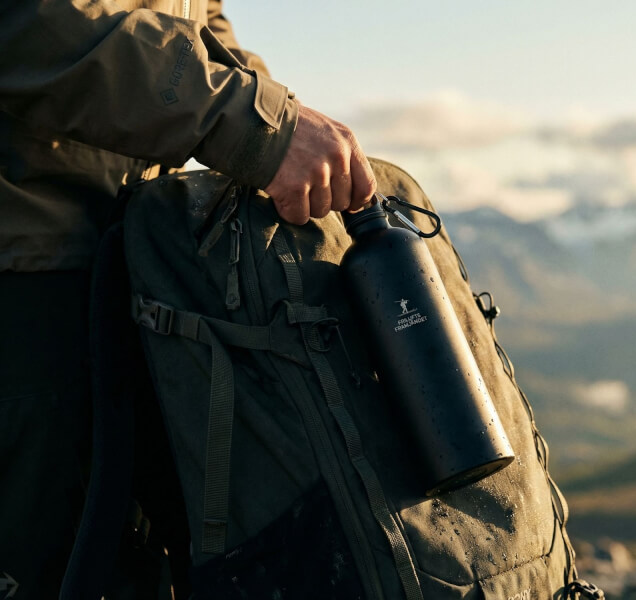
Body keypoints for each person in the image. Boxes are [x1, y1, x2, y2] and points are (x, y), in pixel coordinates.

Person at [0, 1, 375, 597]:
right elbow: (31, 22)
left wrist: (284, 118)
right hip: (27, 281)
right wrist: (255, 126)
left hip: (141, 263)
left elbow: (197, 24)